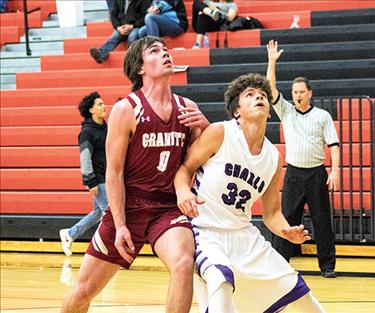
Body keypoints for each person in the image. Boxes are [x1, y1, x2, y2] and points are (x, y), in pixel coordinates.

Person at [61, 36, 210, 313]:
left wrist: (205, 125)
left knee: (183, 262)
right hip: (128, 208)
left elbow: (202, 160)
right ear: (139, 67)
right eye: (155, 51)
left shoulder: (187, 108)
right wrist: (119, 226)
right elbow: (114, 173)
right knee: (82, 293)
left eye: (166, 50)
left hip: (166, 208)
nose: (166, 54)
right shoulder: (125, 109)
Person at [174, 73, 326, 313]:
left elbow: (272, 213)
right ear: (237, 111)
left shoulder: (274, 158)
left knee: (303, 298)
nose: (259, 98)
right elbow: (184, 169)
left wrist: (286, 231)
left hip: (245, 237)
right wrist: (183, 191)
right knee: (221, 280)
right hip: (206, 231)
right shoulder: (219, 133)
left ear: (268, 111)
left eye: (263, 96)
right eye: (250, 95)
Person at [266, 40, 339, 278]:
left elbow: (334, 145)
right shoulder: (286, 110)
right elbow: (270, 87)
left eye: (301, 92)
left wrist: (335, 170)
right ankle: (279, 265)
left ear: (310, 93)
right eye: (295, 92)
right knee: (286, 220)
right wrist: (272, 62)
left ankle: (327, 267)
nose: (297, 95)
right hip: (294, 174)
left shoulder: (322, 116)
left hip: (317, 173)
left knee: (322, 222)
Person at [59, 92, 108, 257]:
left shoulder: (105, 127)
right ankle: (104, 251)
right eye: (100, 104)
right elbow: (85, 158)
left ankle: (70, 234)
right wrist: (90, 181)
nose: (104, 106)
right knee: (110, 215)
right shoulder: (87, 132)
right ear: (91, 110)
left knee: (97, 213)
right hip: (99, 180)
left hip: (108, 177)